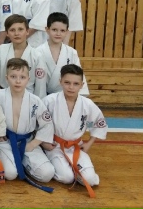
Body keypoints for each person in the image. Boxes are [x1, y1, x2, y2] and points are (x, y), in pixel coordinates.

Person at [42, 64, 107, 198]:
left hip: (76, 146)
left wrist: (89, 143)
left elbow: (99, 123)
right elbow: (37, 124)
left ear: (82, 85)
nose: (71, 87)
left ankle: (76, 171)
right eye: (67, 82)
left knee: (90, 180)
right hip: (55, 146)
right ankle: (68, 170)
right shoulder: (50, 101)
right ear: (60, 82)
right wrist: (43, 143)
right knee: (66, 177)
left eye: (76, 84)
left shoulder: (87, 104)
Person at [0, 58, 55, 189]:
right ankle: (15, 163)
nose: (18, 81)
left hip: (27, 142)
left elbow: (47, 124)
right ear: (6, 78)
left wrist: (34, 143)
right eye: (13, 76)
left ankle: (23, 163)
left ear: (28, 79)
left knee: (47, 174)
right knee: (10, 173)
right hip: (4, 142)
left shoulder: (35, 100)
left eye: (22, 77)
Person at [34, 13, 89, 98]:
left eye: (62, 30)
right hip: (42, 96)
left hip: (65, 97)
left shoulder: (71, 53)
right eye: (54, 30)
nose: (58, 34)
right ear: (47, 29)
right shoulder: (37, 52)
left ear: (67, 31)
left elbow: (78, 76)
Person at [0, 14, 46, 94]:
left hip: (27, 95)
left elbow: (40, 87)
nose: (16, 33)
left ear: (27, 31)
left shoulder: (37, 55)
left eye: (20, 29)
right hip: (4, 94)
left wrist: (37, 101)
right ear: (7, 33)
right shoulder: (2, 50)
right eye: (12, 30)